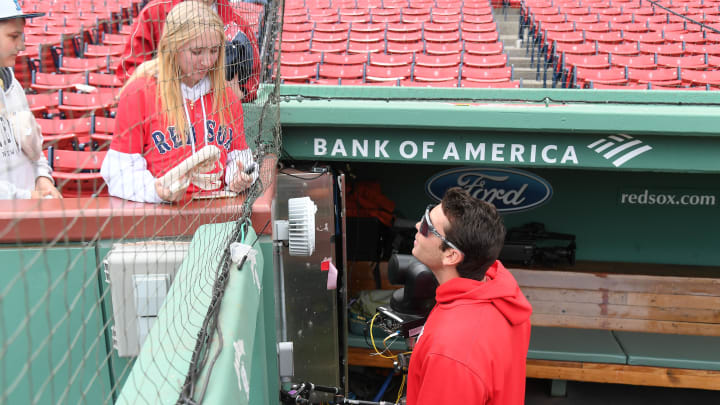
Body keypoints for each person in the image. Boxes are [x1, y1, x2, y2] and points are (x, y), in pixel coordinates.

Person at [101, 1, 257, 203]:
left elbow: (240, 158)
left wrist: (238, 177)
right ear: (173, 47)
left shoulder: (227, 97)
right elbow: (118, 173)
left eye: (214, 51)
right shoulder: (139, 92)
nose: (207, 61)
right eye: (197, 52)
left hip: (217, 215)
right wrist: (156, 191)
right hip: (158, 217)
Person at [406, 187, 532, 405]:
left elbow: (460, 353)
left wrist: (436, 352)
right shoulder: (498, 295)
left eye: (428, 225)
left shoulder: (452, 354)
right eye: (425, 214)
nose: (418, 226)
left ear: (451, 255)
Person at [115, 0, 261, 102]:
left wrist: (239, 93)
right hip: (164, 117)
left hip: (215, 120)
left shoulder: (238, 22)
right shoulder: (154, 12)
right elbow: (128, 70)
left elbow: (253, 79)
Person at [0, 0, 61, 199]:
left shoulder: (12, 84)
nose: (22, 45)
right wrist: (27, 197)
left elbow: (33, 149)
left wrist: (42, 178)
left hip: (26, 222)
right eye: (13, 36)